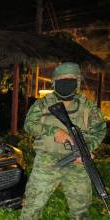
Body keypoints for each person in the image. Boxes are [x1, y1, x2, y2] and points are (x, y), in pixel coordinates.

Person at [20, 62, 106, 220]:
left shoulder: (88, 106)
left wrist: (86, 149)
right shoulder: (43, 103)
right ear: (54, 81)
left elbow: (99, 129)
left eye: (71, 78)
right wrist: (53, 132)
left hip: (78, 164)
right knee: (32, 206)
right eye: (62, 78)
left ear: (78, 81)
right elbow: (29, 124)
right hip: (47, 160)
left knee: (81, 210)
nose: (67, 81)